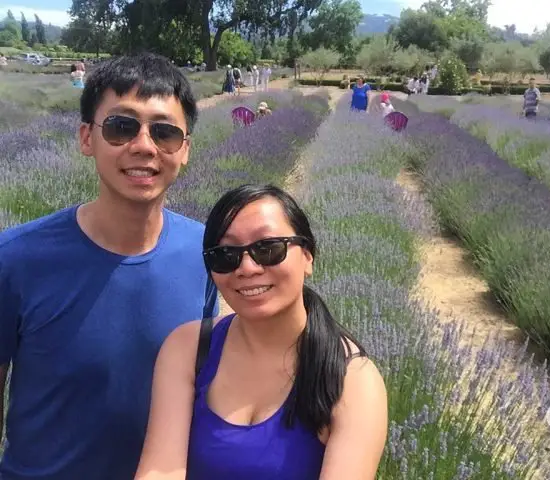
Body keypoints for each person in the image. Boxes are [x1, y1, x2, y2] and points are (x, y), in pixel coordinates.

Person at [0, 52, 219, 480]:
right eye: (121, 127)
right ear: (87, 138)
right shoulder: (16, 258)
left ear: (185, 150)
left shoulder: (211, 254)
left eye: (165, 132)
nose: (144, 145)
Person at [134, 184, 388, 480]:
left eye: (268, 248)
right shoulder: (188, 348)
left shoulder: (351, 380)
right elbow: (160, 471)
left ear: (307, 256)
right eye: (226, 255)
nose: (247, 267)